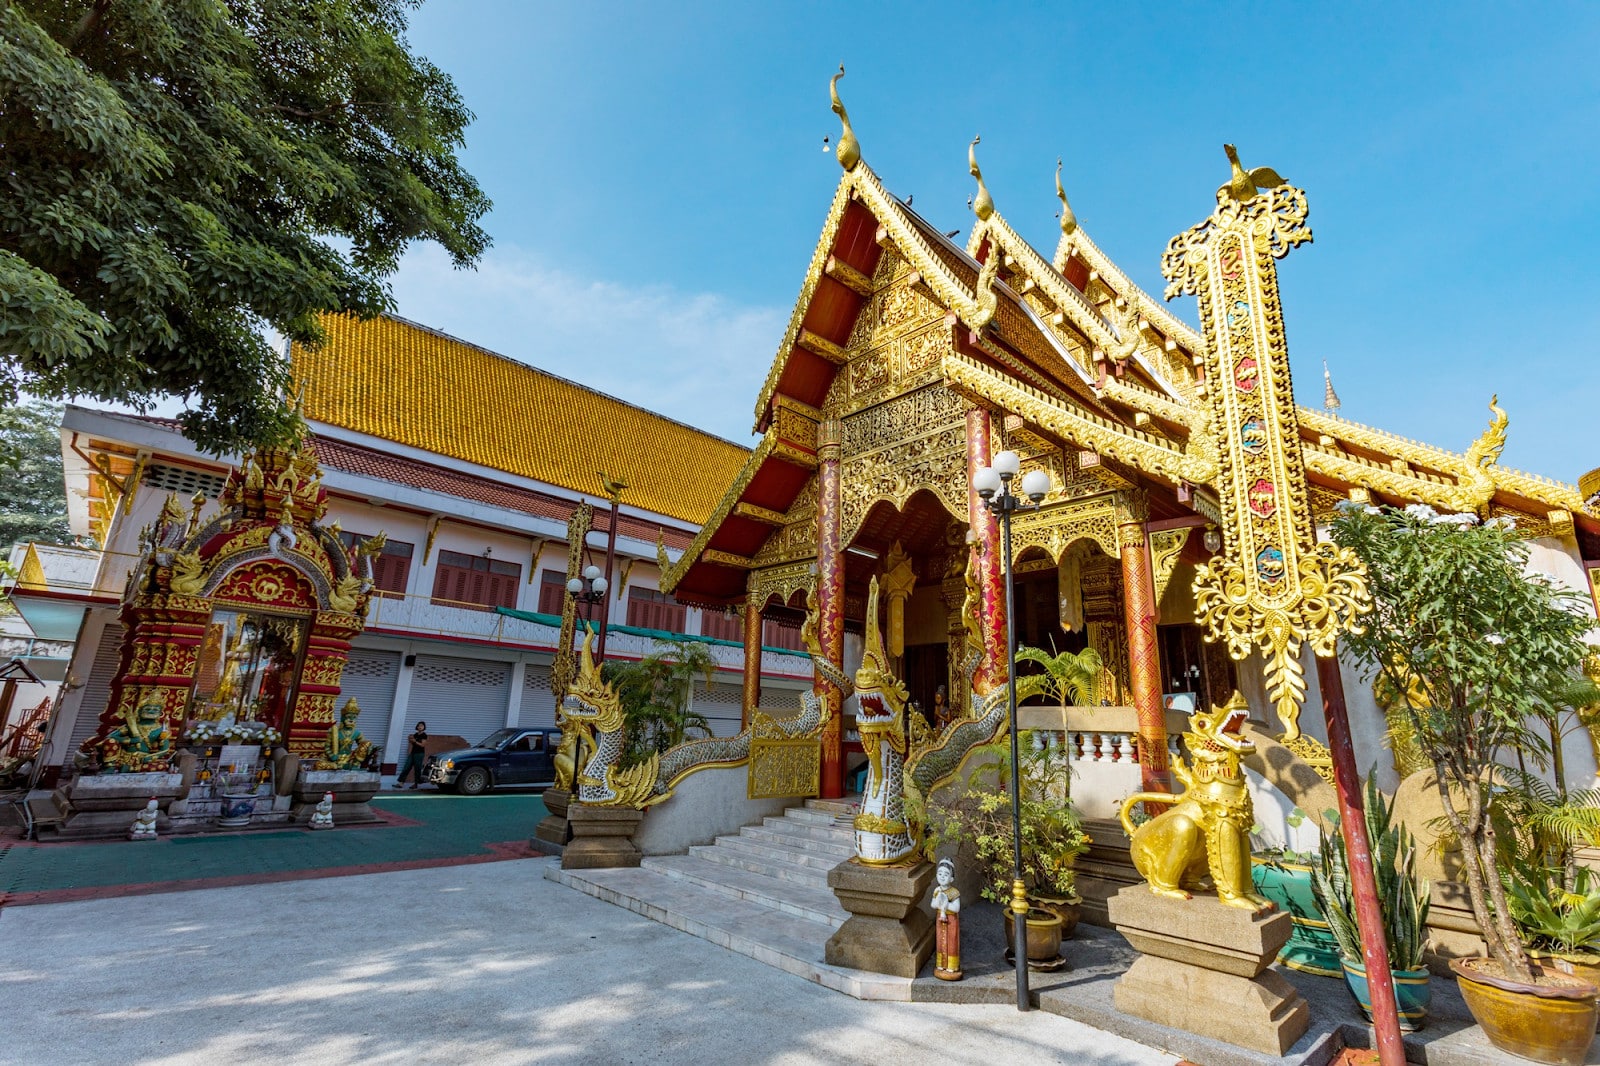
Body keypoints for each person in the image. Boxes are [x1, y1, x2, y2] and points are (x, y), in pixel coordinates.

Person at [398, 720, 428, 789]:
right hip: (413, 752)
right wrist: (410, 740)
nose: (420, 727)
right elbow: (411, 743)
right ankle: (400, 782)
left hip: (419, 753)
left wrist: (415, 741)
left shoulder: (424, 735)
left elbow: (423, 745)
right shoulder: (415, 735)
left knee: (417, 768)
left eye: (422, 726)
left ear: (424, 727)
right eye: (419, 726)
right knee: (407, 767)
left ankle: (416, 783)